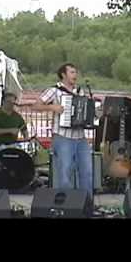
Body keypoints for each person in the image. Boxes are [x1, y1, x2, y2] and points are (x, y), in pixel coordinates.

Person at [32, 63, 93, 199]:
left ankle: (87, 204)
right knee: (65, 173)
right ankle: (68, 204)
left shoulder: (80, 92)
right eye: (72, 72)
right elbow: (35, 106)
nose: (75, 75)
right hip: (63, 137)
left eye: (75, 72)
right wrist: (52, 107)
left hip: (81, 137)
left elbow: (84, 112)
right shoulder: (54, 90)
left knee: (87, 171)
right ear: (63, 75)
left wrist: (93, 115)